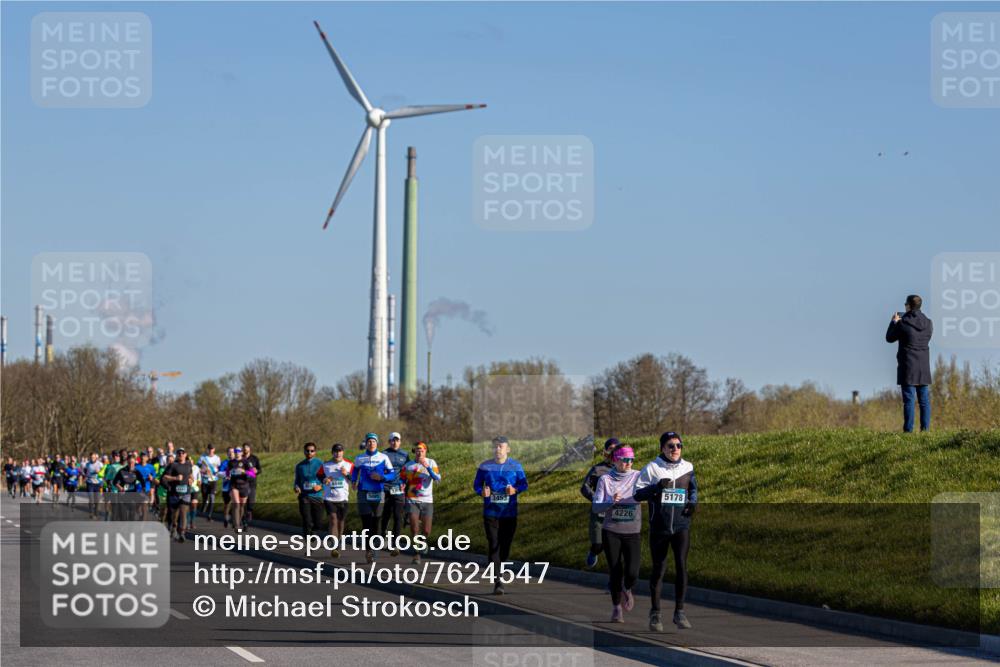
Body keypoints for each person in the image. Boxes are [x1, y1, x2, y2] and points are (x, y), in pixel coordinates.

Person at [634, 431, 698, 631]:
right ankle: (655, 613)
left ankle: (680, 612)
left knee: (681, 566)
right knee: (659, 569)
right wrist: (655, 488)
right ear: (662, 448)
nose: (675, 449)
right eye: (671, 446)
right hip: (660, 526)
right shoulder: (652, 468)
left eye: (679, 445)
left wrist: (692, 503)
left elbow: (693, 489)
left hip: (681, 525)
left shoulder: (687, 467)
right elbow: (637, 494)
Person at [473, 436, 528, 595]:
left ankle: (497, 565)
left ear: (507, 449)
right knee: (493, 543)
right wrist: (481, 492)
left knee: (505, 546)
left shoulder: (515, 466)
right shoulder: (485, 466)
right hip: (491, 512)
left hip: (509, 513)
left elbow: (524, 484)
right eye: (495, 447)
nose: (497, 449)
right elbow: (477, 485)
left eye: (500, 447)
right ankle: (498, 581)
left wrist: (515, 490)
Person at [592, 446, 642, 622]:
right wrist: (610, 501)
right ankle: (616, 608)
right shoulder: (605, 479)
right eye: (624, 459)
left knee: (633, 571)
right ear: (615, 460)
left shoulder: (638, 476)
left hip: (632, 531)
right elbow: (596, 506)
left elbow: (649, 492)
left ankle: (627, 588)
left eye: (631, 460)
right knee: (615, 570)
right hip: (611, 531)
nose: (628, 463)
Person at [886, 294, 934, 432]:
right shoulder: (929, 323)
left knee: (909, 400)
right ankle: (925, 431)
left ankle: (908, 431)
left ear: (908, 306)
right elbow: (928, 337)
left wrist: (893, 322)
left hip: (908, 365)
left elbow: (889, 338)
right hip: (923, 366)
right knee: (924, 401)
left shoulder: (903, 323)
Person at [350, 433, 396, 563]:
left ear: (377, 443)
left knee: (377, 522)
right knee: (366, 523)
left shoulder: (383, 457)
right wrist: (354, 481)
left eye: (373, 442)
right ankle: (369, 551)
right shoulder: (360, 458)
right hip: (363, 492)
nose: (371, 444)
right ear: (366, 443)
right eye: (369, 441)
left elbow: (392, 474)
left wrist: (382, 478)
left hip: (378, 492)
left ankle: (374, 547)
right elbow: (354, 471)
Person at [580, 438, 619, 568]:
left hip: (616, 514)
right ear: (606, 451)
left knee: (613, 548)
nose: (614, 452)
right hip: (599, 513)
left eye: (616, 449)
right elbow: (584, 488)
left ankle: (614, 580)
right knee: (598, 544)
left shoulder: (624, 470)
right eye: (611, 448)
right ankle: (593, 551)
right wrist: (597, 499)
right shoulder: (598, 469)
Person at [400, 441, 441, 564]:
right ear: (414, 452)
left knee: (427, 530)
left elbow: (437, 478)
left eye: (422, 450)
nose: (419, 452)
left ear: (425, 451)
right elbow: (401, 478)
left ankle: (423, 542)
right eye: (417, 450)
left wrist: (427, 466)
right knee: (414, 528)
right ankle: (416, 554)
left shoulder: (432, 462)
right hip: (413, 499)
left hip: (427, 500)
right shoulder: (409, 466)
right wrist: (401, 485)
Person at [322, 443, 353, 558]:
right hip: (329, 497)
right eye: (335, 451)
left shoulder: (349, 464)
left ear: (343, 452)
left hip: (343, 498)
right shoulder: (326, 465)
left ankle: (338, 541)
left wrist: (347, 474)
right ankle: (334, 546)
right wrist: (325, 479)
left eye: (340, 451)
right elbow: (319, 477)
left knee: (341, 522)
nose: (338, 453)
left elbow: (354, 480)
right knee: (333, 519)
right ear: (332, 452)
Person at [380, 432, 409, 555]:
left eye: (397, 440)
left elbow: (408, 471)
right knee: (385, 514)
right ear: (389, 442)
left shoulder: (405, 455)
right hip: (385, 488)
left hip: (398, 489)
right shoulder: (383, 454)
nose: (394, 442)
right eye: (392, 440)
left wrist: (405, 482)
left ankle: (395, 544)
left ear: (400, 441)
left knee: (398, 516)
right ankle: (382, 537)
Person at [293, 442, 326, 537]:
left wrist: (321, 486)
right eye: (307, 451)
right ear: (304, 452)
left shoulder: (320, 464)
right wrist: (296, 487)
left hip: (317, 496)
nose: (309, 453)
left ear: (315, 452)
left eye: (312, 451)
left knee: (318, 523)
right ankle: (308, 545)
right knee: (307, 520)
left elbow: (327, 480)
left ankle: (314, 531)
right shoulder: (299, 466)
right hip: (304, 496)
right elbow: (297, 481)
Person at [162, 448, 194, 541]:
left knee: (183, 512)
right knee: (174, 515)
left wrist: (191, 480)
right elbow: (165, 477)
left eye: (182, 453)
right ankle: (174, 527)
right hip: (174, 494)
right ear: (177, 454)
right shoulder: (173, 465)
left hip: (186, 493)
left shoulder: (188, 465)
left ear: (185, 454)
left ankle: (182, 533)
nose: (180, 454)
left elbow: (191, 475)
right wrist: (175, 478)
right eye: (179, 453)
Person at [226, 447, 254, 533]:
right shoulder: (231, 462)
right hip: (234, 485)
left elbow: (253, 474)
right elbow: (227, 471)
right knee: (237, 504)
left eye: (238, 451)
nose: (237, 453)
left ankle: (238, 520)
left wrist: (244, 471)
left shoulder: (246, 462)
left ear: (242, 453)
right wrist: (228, 476)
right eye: (235, 452)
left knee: (242, 506)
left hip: (244, 486)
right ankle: (237, 526)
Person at [112, 454, 142, 521]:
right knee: (123, 517)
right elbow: (114, 482)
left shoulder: (137, 472)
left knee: (132, 516)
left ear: (135, 462)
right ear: (127, 462)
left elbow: (142, 482)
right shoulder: (122, 471)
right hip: (122, 495)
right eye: (129, 463)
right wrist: (120, 487)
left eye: (133, 463)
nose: (131, 464)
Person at [198, 445, 221, 521]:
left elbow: (219, 468)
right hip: (205, 479)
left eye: (212, 449)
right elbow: (197, 467)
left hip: (213, 480)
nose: (211, 450)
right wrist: (203, 471)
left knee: (212, 497)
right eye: (209, 449)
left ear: (214, 449)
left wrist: (217, 472)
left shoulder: (217, 458)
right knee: (205, 497)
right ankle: (203, 508)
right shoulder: (202, 457)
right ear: (207, 449)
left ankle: (209, 515)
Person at [135, 452, 157, 519]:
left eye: (144, 456)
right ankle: (140, 516)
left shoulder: (150, 467)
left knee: (144, 506)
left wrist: (151, 478)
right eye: (141, 456)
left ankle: (143, 523)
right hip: (137, 489)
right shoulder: (136, 467)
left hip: (146, 489)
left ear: (147, 458)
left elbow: (154, 476)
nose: (142, 458)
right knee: (137, 507)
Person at [243, 444, 262, 525]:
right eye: (244, 448)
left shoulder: (254, 458)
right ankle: (243, 518)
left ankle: (249, 512)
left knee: (251, 500)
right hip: (242, 483)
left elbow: (260, 469)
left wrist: (256, 471)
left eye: (246, 448)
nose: (245, 450)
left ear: (250, 449)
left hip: (252, 483)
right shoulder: (241, 459)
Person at [83, 453, 103, 518]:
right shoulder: (87, 464)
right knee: (91, 499)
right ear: (90, 457)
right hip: (90, 483)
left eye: (94, 457)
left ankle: (96, 513)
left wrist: (99, 472)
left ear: (96, 458)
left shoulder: (100, 464)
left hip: (97, 483)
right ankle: (91, 513)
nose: (92, 458)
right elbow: (85, 471)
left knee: (97, 500)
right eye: (91, 457)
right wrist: (85, 476)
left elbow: (103, 472)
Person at [220, 447, 235, 528]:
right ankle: (226, 517)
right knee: (227, 504)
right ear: (227, 453)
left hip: (235, 486)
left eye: (232, 452)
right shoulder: (224, 463)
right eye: (229, 452)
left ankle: (234, 519)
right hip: (226, 486)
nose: (231, 453)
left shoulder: (237, 462)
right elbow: (219, 473)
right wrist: (226, 475)